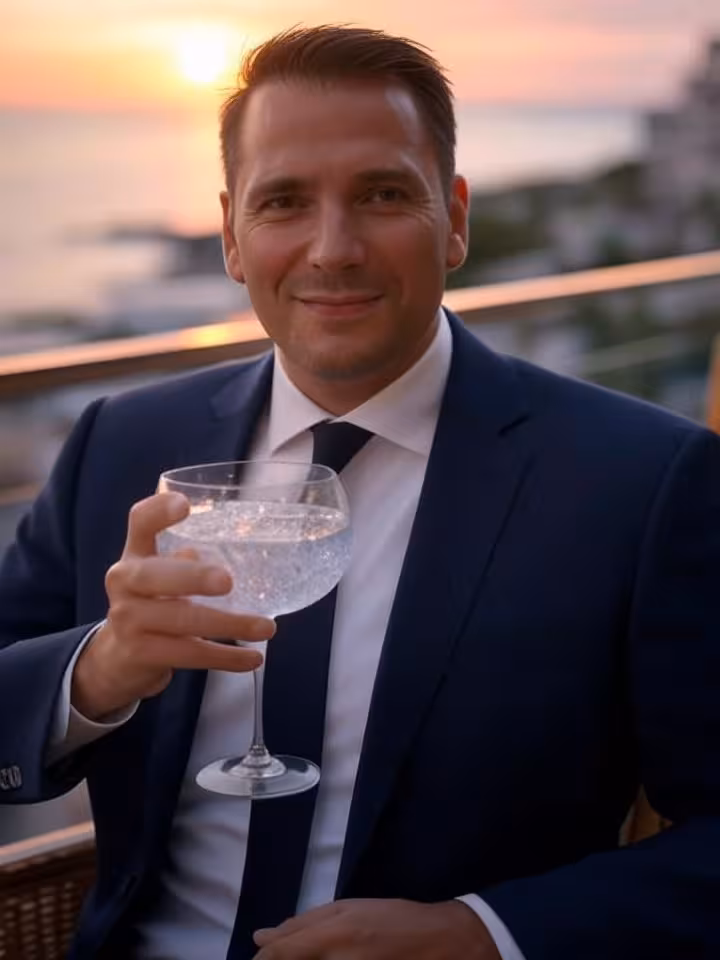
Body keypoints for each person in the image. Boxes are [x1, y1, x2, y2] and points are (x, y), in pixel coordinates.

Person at [1, 23, 719, 960]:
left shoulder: (643, 481)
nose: (332, 249)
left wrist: (484, 935)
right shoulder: (125, 443)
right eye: (284, 202)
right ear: (230, 234)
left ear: (454, 218)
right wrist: (96, 671)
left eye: (383, 195)